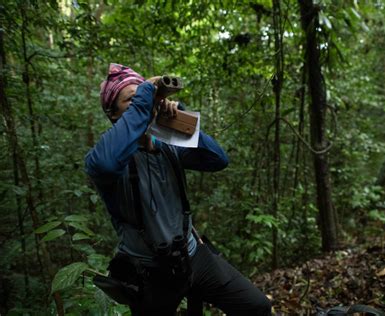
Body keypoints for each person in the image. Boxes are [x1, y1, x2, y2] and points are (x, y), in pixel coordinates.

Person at [85, 63, 271, 315]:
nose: (143, 102)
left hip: (193, 256)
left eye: (145, 95)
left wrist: (178, 118)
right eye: (131, 99)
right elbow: (107, 165)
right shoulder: (103, 157)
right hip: (148, 272)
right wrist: (145, 98)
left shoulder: (168, 146)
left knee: (257, 307)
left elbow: (217, 160)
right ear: (114, 114)